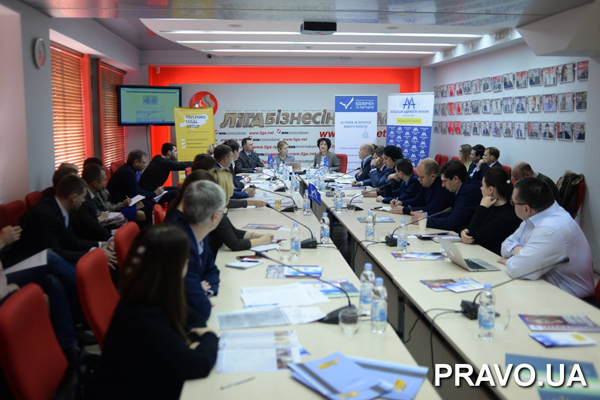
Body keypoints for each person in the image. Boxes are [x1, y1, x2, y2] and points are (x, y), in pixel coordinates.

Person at [88, 225, 218, 400]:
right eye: (185, 261)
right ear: (171, 268)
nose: (187, 266)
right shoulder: (142, 316)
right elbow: (197, 365)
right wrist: (209, 336)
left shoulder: (150, 291)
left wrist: (196, 336)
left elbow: (193, 317)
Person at [500, 178, 595, 300]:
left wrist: (513, 259)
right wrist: (520, 252)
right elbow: (505, 245)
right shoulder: (536, 215)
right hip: (546, 289)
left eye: (513, 202)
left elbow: (518, 269)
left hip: (574, 301)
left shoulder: (552, 228)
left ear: (526, 208)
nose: (512, 205)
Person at [6, 175, 116, 266]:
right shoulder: (44, 214)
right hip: (28, 262)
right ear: (73, 197)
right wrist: (95, 253)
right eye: (83, 197)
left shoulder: (64, 208)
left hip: (51, 257)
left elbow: (71, 240)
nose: (84, 201)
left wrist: (101, 245)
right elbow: (57, 252)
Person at [168, 181, 224, 320]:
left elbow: (212, 270)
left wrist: (204, 291)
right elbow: (200, 310)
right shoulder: (180, 244)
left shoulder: (200, 231)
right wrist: (198, 292)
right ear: (215, 216)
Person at [209, 169, 273, 256]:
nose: (234, 187)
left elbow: (233, 232)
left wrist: (258, 235)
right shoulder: (217, 212)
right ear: (224, 188)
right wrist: (261, 241)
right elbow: (235, 244)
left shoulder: (215, 206)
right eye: (231, 184)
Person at [460, 167, 521, 255]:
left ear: (491, 190)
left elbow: (473, 237)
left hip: (492, 258)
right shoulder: (490, 206)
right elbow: (470, 227)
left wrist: (481, 208)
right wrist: (464, 231)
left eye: (482, 185)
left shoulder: (506, 216)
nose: (481, 188)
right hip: (480, 253)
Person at [412, 160, 482, 232]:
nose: (443, 185)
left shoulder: (468, 192)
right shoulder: (463, 188)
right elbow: (450, 214)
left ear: (456, 179)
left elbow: (452, 223)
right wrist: (426, 216)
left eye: (445, 181)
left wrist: (424, 221)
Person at [78, 163, 113, 241]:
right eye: (104, 180)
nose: (105, 182)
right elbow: (92, 227)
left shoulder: (90, 195)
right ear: (95, 184)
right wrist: (111, 238)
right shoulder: (84, 201)